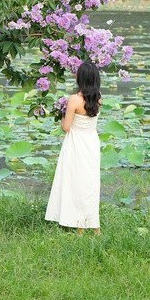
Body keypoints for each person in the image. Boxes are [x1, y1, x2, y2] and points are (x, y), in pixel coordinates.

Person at [45, 60, 102, 235]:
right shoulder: (98, 97)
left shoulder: (75, 100)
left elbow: (66, 127)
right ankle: (92, 226)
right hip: (91, 141)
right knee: (90, 183)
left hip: (76, 143)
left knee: (75, 182)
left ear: (81, 78)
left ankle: (80, 226)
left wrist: (62, 112)